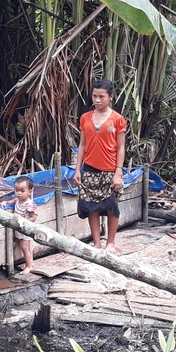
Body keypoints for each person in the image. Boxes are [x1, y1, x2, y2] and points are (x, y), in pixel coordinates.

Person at [72, 79, 127, 253]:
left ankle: (110, 243)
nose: (97, 100)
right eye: (94, 96)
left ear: (111, 97)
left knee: (112, 205)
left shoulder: (118, 120)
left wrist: (118, 172)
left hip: (110, 169)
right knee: (91, 206)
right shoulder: (85, 118)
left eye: (101, 96)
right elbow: (82, 145)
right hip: (89, 168)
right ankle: (96, 243)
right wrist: (77, 169)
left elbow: (121, 147)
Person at [1, 176, 38, 275]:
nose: (19, 193)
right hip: (21, 228)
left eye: (22, 191)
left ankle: (28, 266)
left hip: (27, 229)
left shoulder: (29, 204)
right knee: (27, 247)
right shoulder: (18, 199)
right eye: (16, 190)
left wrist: (23, 222)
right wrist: (6, 202)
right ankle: (30, 262)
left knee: (24, 247)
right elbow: (14, 200)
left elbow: (34, 217)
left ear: (30, 191)